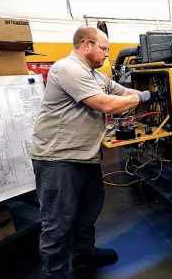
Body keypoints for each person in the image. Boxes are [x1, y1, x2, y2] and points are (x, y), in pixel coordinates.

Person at [30, 26, 156, 279]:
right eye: (104, 49)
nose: (107, 56)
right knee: (58, 221)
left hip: (84, 157)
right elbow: (106, 103)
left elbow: (121, 91)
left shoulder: (95, 75)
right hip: (57, 159)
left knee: (88, 210)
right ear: (86, 45)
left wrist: (156, 94)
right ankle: (54, 273)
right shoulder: (68, 68)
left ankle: (83, 254)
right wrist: (141, 98)